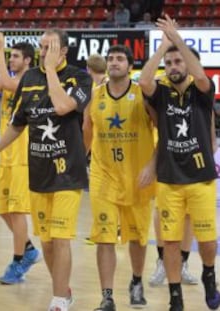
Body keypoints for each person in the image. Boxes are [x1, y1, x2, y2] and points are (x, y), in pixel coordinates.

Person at [0, 29, 92, 311]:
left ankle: (58, 300)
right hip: (39, 172)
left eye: (50, 47)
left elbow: (63, 106)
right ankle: (62, 288)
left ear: (63, 51)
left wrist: (52, 72)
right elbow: (19, 122)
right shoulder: (29, 79)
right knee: (48, 242)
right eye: (42, 47)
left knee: (61, 238)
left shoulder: (80, 78)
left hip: (68, 172)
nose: (43, 53)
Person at [139, 15, 220, 311]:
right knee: (170, 243)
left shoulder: (202, 92)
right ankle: (175, 295)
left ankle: (209, 273)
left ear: (187, 63)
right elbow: (144, 81)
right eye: (169, 64)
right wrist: (162, 48)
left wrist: (179, 41)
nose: (173, 67)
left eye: (178, 62)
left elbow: (200, 76)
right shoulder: (160, 93)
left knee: (208, 241)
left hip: (200, 178)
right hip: (169, 179)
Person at [83, 45, 156, 311]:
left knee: (137, 238)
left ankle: (136, 281)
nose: (114, 62)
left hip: (138, 177)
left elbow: (164, 129)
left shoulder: (143, 95)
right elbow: (86, 129)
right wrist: (80, 160)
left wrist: (153, 164)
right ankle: (107, 296)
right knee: (104, 237)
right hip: (103, 176)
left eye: (120, 59)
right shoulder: (95, 96)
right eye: (111, 58)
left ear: (130, 66)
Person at [0, 32, 41, 285]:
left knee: (17, 210)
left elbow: (6, 82)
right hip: (6, 153)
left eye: (15, 57)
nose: (11, 60)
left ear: (27, 60)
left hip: (24, 152)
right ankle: (29, 250)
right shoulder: (8, 80)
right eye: (9, 56)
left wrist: (0, 50)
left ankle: (18, 260)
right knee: (4, 211)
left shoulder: (31, 79)